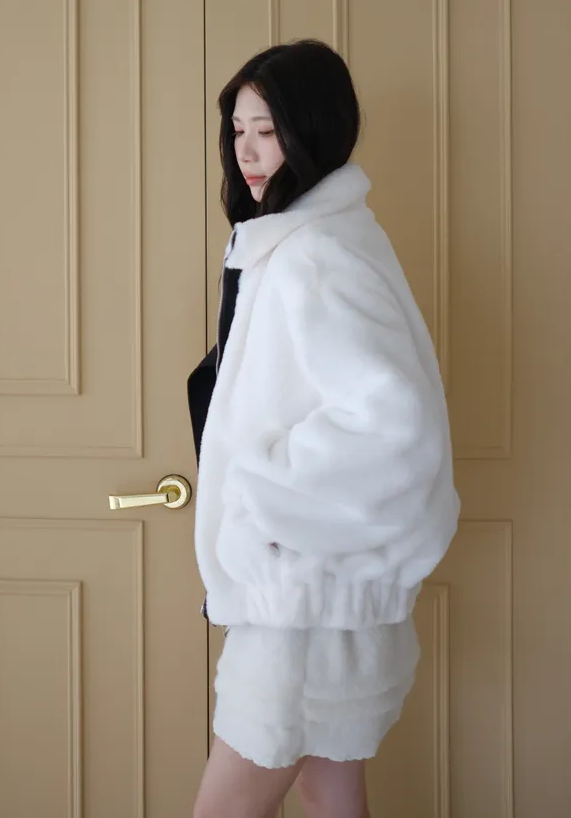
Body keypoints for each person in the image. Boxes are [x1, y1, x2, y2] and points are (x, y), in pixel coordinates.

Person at [188, 40, 459, 818]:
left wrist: (261, 500)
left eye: (266, 130)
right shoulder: (312, 240)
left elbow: (393, 424)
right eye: (237, 130)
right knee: (333, 797)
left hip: (299, 611)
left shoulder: (313, 255)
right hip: (322, 600)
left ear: (311, 128)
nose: (246, 151)